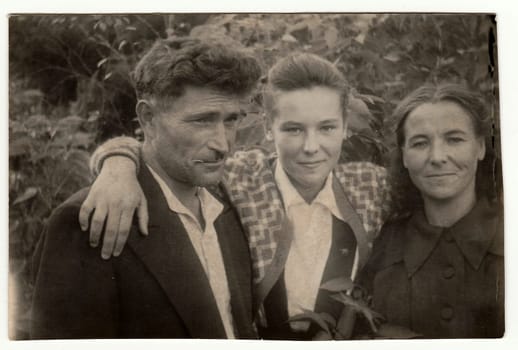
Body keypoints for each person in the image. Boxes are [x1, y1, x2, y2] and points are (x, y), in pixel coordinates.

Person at [79, 52, 392, 339]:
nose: (311, 147)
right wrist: (117, 163)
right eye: (293, 129)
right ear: (269, 127)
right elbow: (167, 159)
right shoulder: (243, 177)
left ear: (346, 127)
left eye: (327, 128)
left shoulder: (370, 186)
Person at [30, 37, 262, 339]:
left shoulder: (233, 201)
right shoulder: (89, 220)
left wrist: (117, 157)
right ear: (147, 118)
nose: (222, 144)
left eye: (231, 121)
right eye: (202, 121)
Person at [359, 83, 504, 338]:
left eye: (454, 139)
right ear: (404, 156)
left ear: (480, 147)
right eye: (420, 143)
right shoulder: (381, 243)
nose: (437, 157)